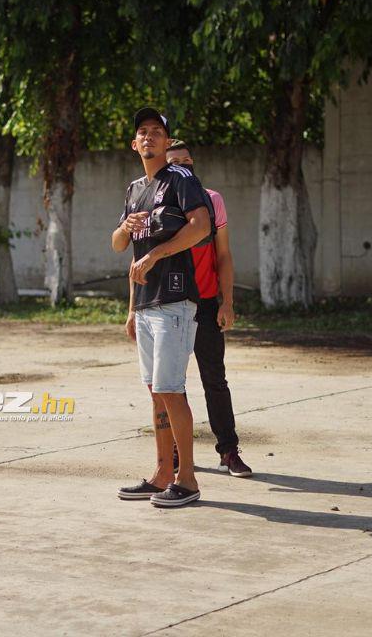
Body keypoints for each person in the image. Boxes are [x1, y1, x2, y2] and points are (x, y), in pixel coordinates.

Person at [111, 107, 212, 508]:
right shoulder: (135, 189)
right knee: (156, 392)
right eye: (142, 132)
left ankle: (187, 480)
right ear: (134, 144)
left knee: (172, 390)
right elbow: (121, 246)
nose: (149, 137)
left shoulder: (181, 178)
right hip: (148, 304)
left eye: (157, 132)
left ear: (167, 143)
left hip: (174, 299)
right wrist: (125, 229)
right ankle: (161, 474)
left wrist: (157, 255)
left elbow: (201, 227)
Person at [165, 140, 252, 477]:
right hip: (170, 304)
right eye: (175, 164)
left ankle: (228, 450)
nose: (184, 168)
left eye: (188, 162)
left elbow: (224, 255)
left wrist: (227, 301)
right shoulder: (158, 203)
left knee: (215, 380)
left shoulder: (212, 200)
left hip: (204, 303)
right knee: (171, 383)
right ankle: (173, 451)